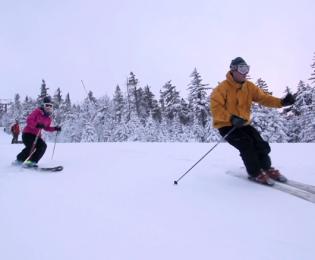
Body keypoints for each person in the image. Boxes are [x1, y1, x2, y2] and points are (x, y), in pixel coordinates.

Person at [210, 57, 295, 185]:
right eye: (242, 69)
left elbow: (264, 98)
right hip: (226, 125)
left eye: (247, 69)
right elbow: (216, 109)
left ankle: (267, 168)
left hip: (243, 124)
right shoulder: (221, 89)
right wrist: (231, 118)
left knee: (260, 144)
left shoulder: (249, 87)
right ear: (233, 70)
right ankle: (255, 173)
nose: (245, 73)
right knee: (247, 145)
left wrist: (281, 102)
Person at [14, 96, 61, 167]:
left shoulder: (48, 118)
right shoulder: (37, 112)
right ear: (43, 105)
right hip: (27, 134)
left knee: (43, 146)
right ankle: (19, 160)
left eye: (50, 106)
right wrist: (37, 125)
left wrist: (55, 128)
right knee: (31, 147)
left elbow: (46, 128)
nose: (48, 107)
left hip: (36, 136)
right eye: (47, 105)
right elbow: (29, 120)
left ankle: (32, 162)